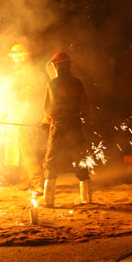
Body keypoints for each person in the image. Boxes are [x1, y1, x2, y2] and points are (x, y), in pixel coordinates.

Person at [41, 51, 92, 207]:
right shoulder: (78, 82)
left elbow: (48, 108)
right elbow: (85, 108)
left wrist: (47, 121)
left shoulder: (52, 84)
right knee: (80, 157)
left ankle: (48, 200)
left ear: (56, 66)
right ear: (69, 65)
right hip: (75, 124)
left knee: (51, 160)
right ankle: (87, 198)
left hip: (59, 125)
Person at [4, 43, 46, 191]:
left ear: (24, 56)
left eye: (17, 54)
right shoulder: (17, 70)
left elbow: (34, 87)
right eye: (13, 54)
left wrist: (19, 95)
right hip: (17, 110)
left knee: (26, 146)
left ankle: (37, 182)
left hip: (26, 110)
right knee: (17, 147)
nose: (14, 57)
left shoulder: (28, 70)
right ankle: (26, 180)